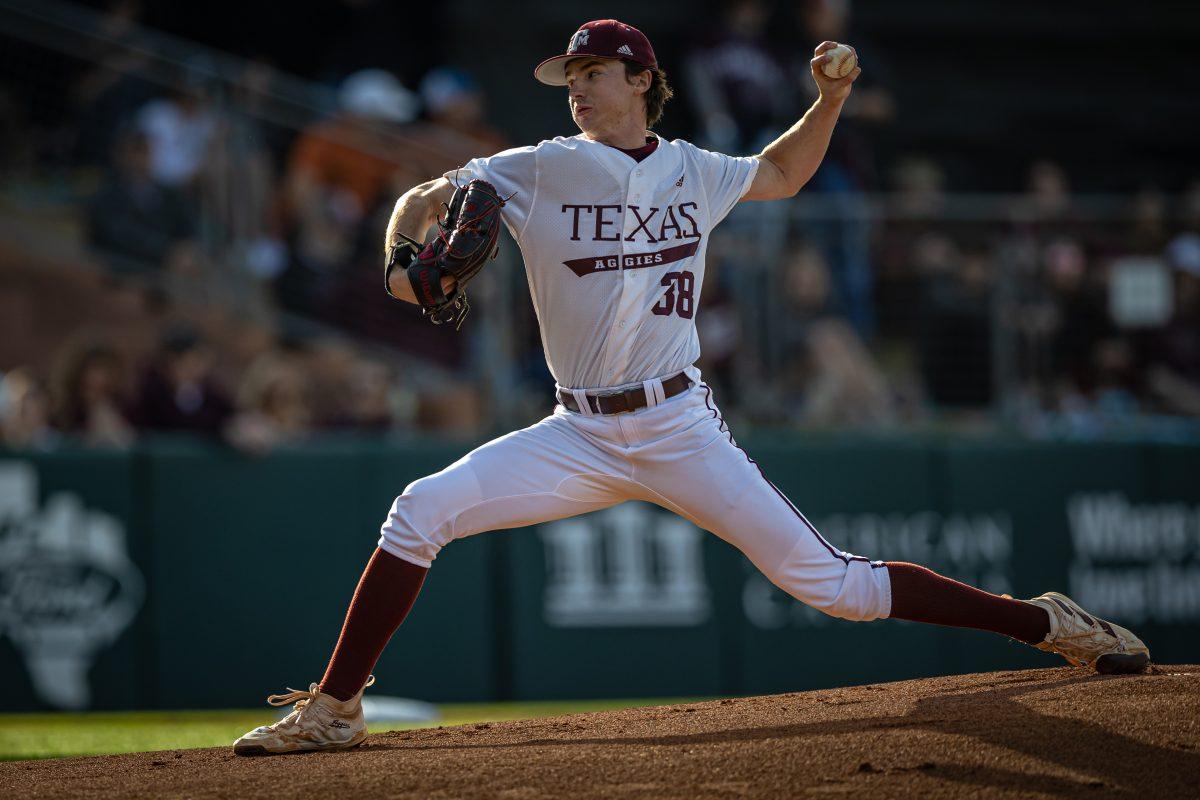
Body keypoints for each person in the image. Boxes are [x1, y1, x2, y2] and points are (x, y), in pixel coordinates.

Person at [234, 20, 1150, 757]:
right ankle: (336, 708)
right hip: (576, 433)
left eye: (594, 72)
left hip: (678, 425)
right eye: (571, 75)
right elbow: (421, 202)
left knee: (834, 586)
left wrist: (829, 99)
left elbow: (786, 171)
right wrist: (402, 266)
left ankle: (1043, 622)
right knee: (417, 511)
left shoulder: (696, 170)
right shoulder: (538, 164)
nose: (579, 86)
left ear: (641, 81)